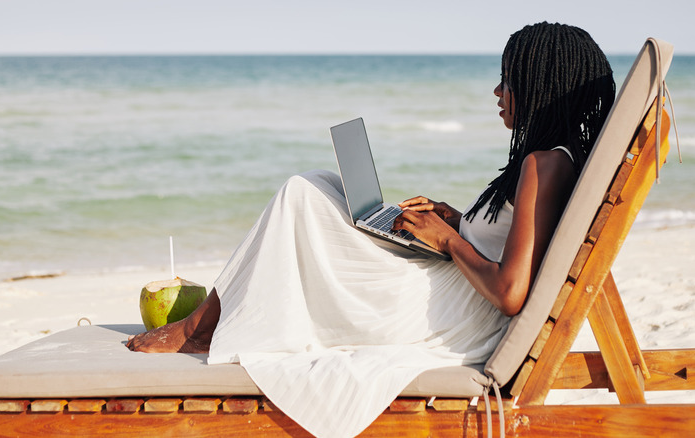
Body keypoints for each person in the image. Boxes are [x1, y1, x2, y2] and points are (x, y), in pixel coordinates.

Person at [127, 22, 615, 438]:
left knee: (301, 194)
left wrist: (447, 239)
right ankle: (207, 324)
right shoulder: (556, 160)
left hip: (453, 315)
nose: (497, 92)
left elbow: (510, 292)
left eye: (508, 80)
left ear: (540, 86)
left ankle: (198, 329)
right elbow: (511, 241)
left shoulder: (542, 165)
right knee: (319, 184)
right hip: (456, 291)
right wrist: (457, 220)